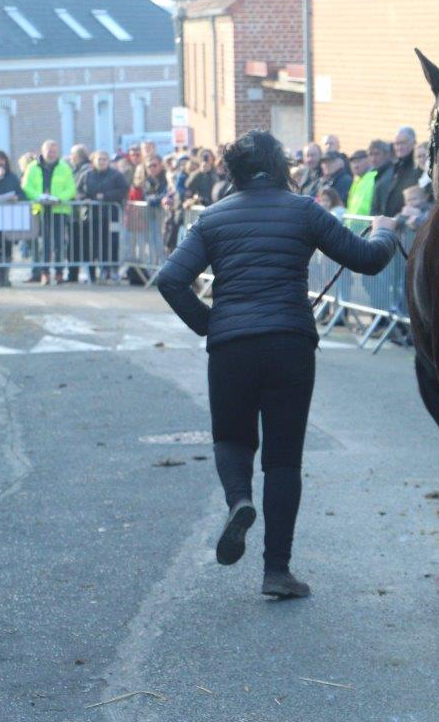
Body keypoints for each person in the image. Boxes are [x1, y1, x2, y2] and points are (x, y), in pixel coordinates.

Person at [156, 129, 397, 598]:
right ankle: (277, 572)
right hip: (289, 342)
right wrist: (386, 230)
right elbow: (366, 259)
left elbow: (170, 279)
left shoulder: (212, 219)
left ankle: (239, 500)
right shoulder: (303, 209)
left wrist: (210, 324)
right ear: (280, 164)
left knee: (232, 437)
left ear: (233, 171)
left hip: (231, 347)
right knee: (284, 459)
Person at [21, 140, 76, 284]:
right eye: (48, 151)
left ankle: (59, 273)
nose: (51, 154)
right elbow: (27, 186)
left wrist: (58, 198)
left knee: (59, 243)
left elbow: (71, 188)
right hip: (40, 209)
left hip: (59, 209)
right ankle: (44, 272)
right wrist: (38, 197)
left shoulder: (64, 167)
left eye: (53, 151)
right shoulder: (32, 167)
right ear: (42, 151)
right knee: (43, 243)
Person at [77, 150, 129, 281]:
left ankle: (110, 270)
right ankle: (91, 273)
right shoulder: (86, 175)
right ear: (93, 161)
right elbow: (78, 192)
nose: (102, 162)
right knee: (91, 244)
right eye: (99, 159)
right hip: (91, 216)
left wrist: (106, 197)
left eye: (104, 159)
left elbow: (123, 190)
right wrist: (85, 200)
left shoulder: (116, 175)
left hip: (110, 215)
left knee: (111, 243)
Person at [0, 148, 24, 286]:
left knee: (8, 247)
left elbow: (22, 194)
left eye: (2, 159)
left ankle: (6, 277)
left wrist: (17, 197)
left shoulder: (12, 177)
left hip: (9, 218)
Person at [66, 144, 92, 282]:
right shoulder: (75, 169)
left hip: (83, 215)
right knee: (73, 246)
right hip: (76, 215)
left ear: (76, 156)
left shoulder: (86, 170)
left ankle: (87, 275)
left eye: (72, 155)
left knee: (84, 246)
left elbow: (81, 190)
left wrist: (75, 197)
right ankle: (72, 274)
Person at [345, 149, 377, 216]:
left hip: (368, 222)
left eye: (358, 161)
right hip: (354, 223)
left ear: (368, 161)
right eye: (353, 162)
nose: (355, 166)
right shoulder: (356, 180)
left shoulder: (374, 177)